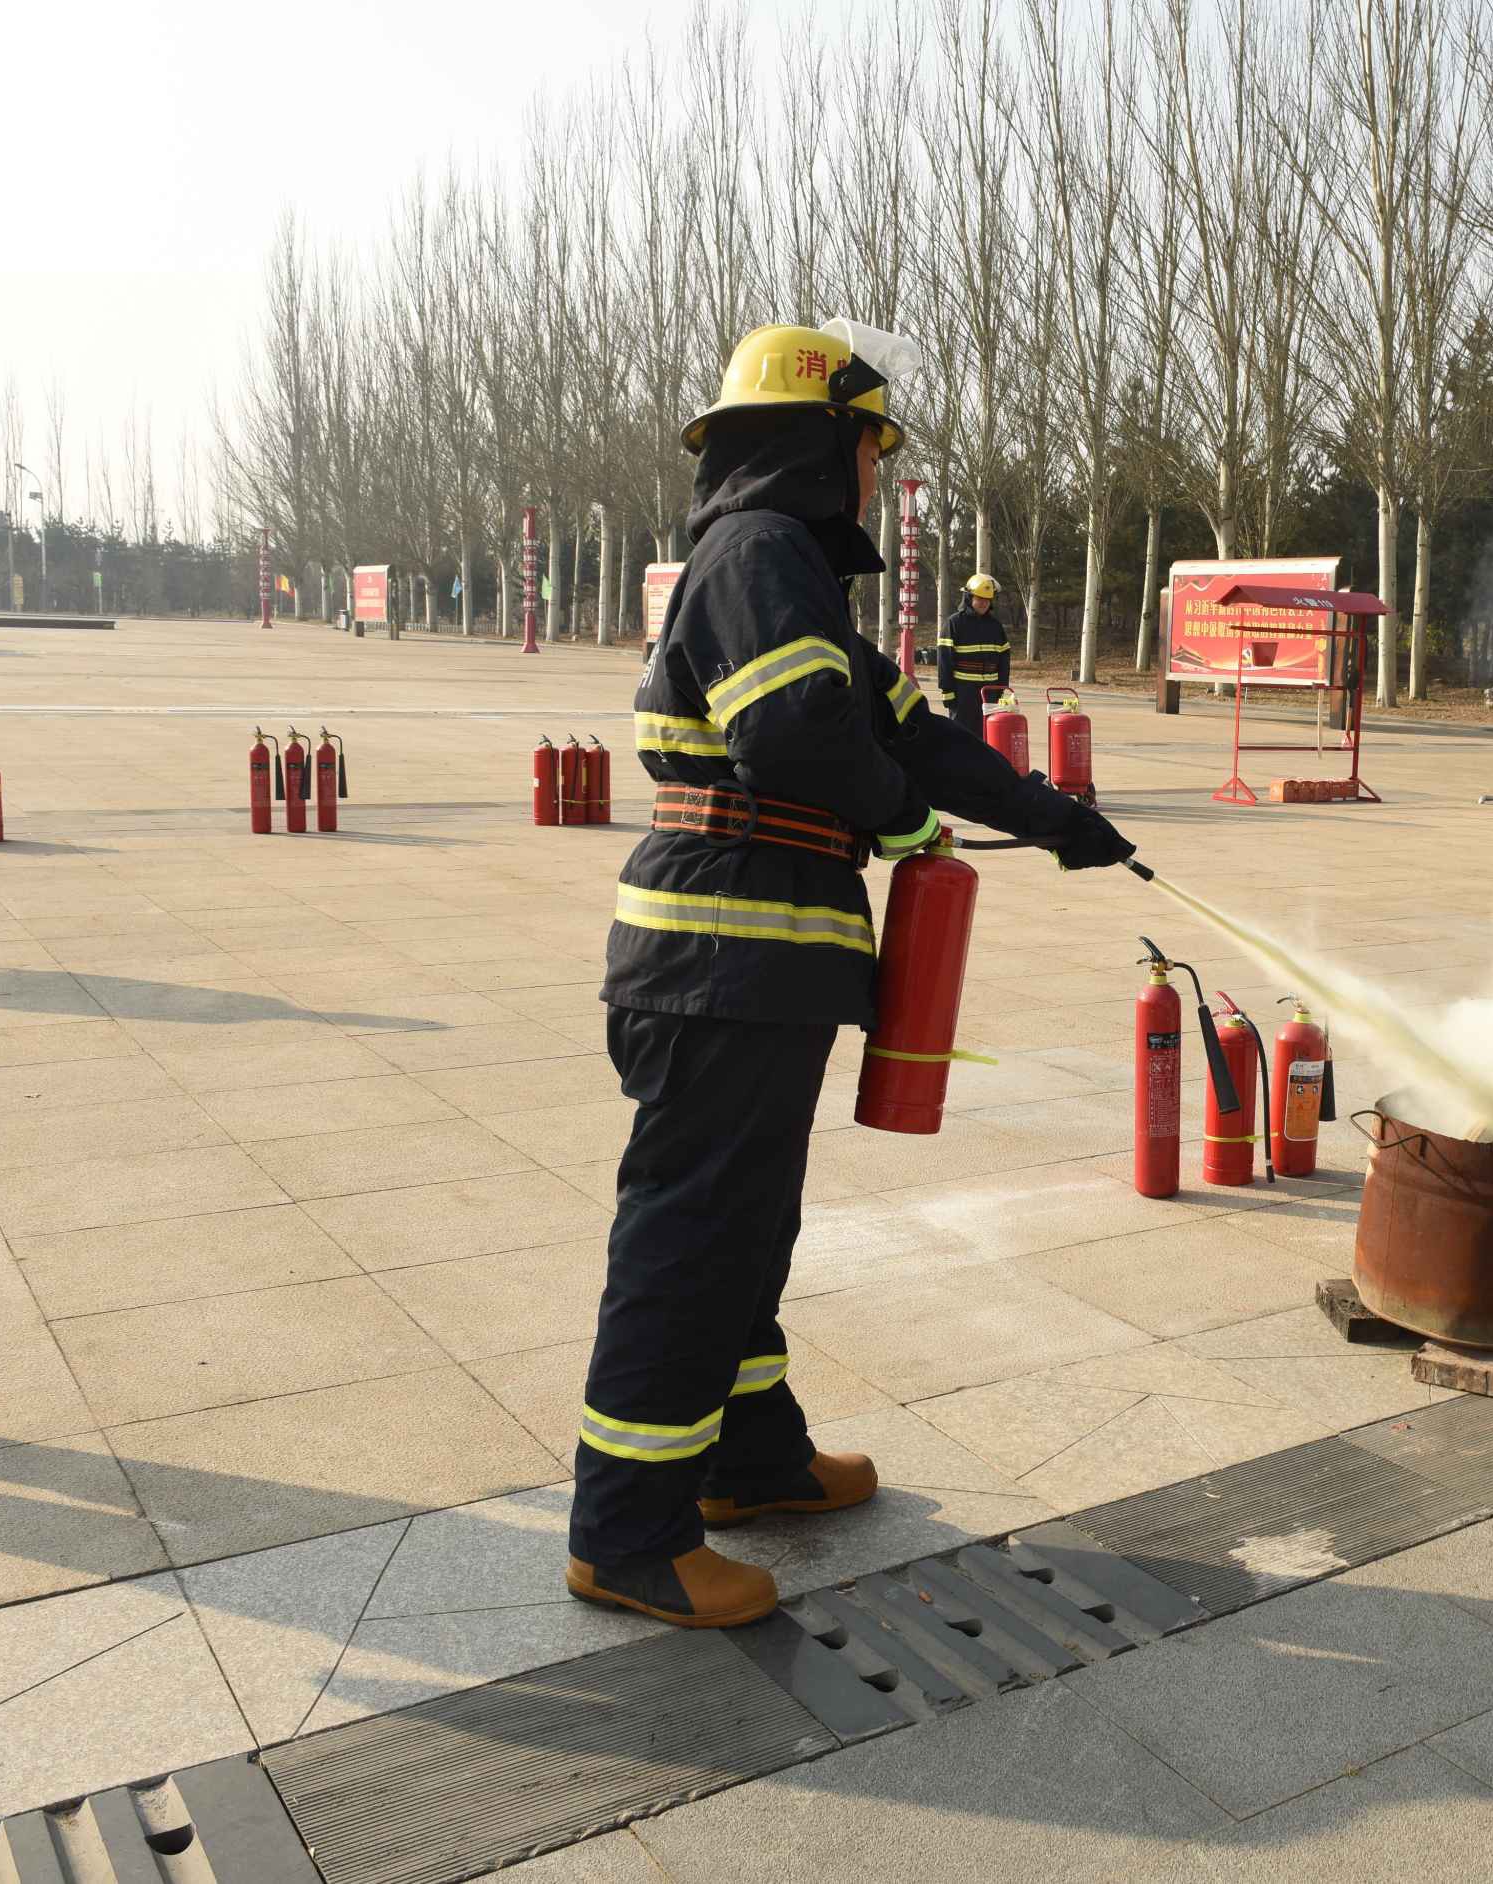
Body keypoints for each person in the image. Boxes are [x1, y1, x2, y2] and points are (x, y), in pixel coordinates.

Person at [567, 319, 1136, 1629]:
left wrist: (1052, 818)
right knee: (695, 1232)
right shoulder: (760, 555)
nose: (875, 478)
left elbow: (902, 731)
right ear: (827, 443)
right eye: (871, 449)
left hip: (753, 968)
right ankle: (625, 1533)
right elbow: (797, 729)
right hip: (723, 958)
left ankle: (747, 1459)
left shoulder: (780, 572)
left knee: (746, 1222)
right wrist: (896, 819)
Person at [938, 575, 1011, 735]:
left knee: (987, 737)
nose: (984, 603)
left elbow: (1004, 660)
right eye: (980, 598)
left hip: (989, 693)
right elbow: (944, 660)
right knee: (961, 739)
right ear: (969, 597)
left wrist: (1000, 688)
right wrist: (947, 692)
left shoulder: (995, 626)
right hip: (963, 693)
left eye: (987, 599)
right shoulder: (954, 623)